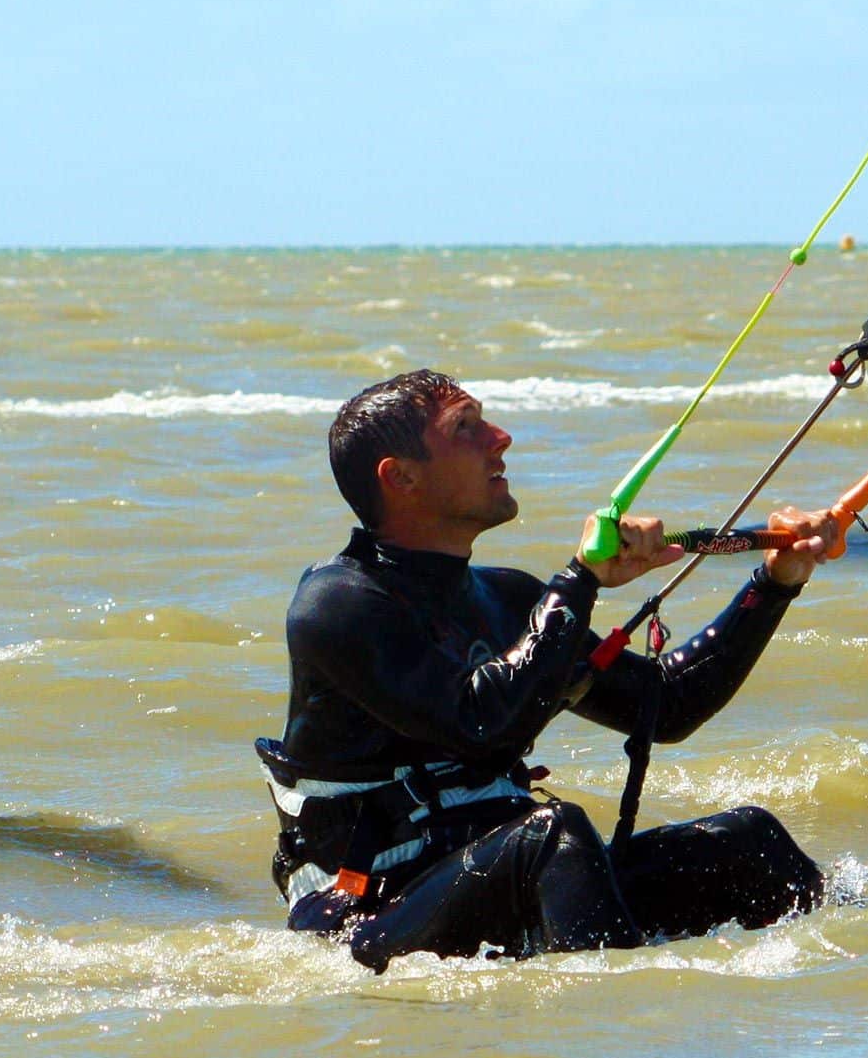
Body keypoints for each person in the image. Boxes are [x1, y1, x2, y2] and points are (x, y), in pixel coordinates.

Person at [260, 369, 829, 971]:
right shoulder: (336, 604)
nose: (500, 439)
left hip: (504, 878)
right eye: (468, 428)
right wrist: (580, 582)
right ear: (401, 476)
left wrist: (773, 583)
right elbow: (480, 722)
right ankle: (621, 1039)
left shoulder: (507, 599)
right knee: (554, 834)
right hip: (372, 915)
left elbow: (666, 703)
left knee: (748, 842)